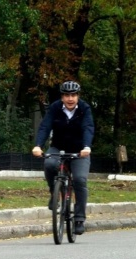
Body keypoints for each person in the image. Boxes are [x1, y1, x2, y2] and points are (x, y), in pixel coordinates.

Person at [32, 81, 94, 235]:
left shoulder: (84, 109)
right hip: (58, 147)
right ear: (62, 97)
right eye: (67, 95)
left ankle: (79, 218)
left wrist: (86, 147)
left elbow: (88, 127)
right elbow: (45, 126)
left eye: (73, 95)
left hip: (80, 151)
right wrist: (38, 145)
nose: (70, 98)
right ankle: (55, 194)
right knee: (49, 164)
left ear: (78, 96)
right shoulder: (55, 108)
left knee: (79, 179)